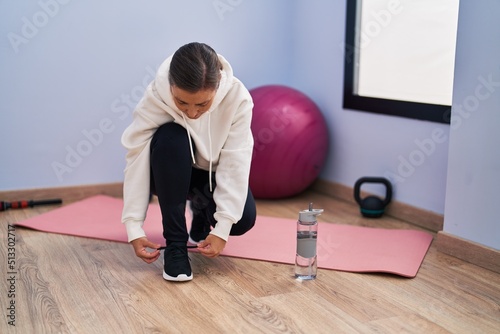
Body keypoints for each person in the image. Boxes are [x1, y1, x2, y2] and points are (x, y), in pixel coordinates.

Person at [121, 42, 256, 282]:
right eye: (182, 103)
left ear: (218, 86)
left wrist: (223, 228)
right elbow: (136, 157)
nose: (192, 113)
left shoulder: (238, 98)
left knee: (241, 221)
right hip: (168, 171)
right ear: (171, 86)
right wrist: (134, 227)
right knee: (170, 137)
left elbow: (235, 162)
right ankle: (176, 246)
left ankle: (202, 211)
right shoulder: (155, 97)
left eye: (203, 104)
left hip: (211, 176)